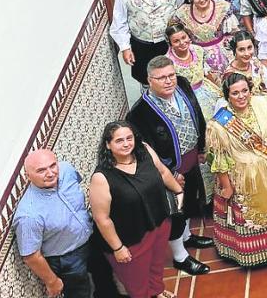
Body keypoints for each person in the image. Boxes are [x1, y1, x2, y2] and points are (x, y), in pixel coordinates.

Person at [126, 56, 214, 275]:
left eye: (171, 75)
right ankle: (180, 257)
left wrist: (201, 146)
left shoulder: (183, 84)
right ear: (149, 80)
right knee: (175, 211)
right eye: (161, 77)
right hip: (169, 170)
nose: (168, 81)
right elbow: (146, 151)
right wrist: (170, 174)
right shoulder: (139, 114)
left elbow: (197, 115)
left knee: (189, 201)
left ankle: (188, 237)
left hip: (192, 157)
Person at [207, 74, 267, 266]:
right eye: (235, 93)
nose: (241, 96)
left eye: (245, 91)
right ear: (227, 96)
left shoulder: (264, 105)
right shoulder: (219, 125)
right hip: (244, 178)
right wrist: (227, 187)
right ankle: (255, 252)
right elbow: (220, 160)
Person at [88, 121, 182, 298]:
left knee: (156, 267)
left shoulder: (145, 151)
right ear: (108, 145)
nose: (126, 144)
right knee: (137, 284)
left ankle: (158, 292)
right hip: (130, 240)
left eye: (129, 138)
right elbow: (102, 219)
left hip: (159, 225)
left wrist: (179, 191)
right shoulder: (101, 177)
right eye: (119, 140)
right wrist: (118, 248)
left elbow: (162, 172)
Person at [15, 150, 97, 298]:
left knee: (104, 279)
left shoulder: (66, 170)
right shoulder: (29, 214)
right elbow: (31, 256)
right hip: (67, 259)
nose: (50, 173)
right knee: (82, 293)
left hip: (92, 238)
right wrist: (52, 281)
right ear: (28, 176)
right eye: (41, 170)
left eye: (53, 165)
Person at [111, 0, 183, 83]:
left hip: (169, 42)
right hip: (142, 44)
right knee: (146, 78)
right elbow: (119, 20)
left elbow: (180, 5)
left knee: (174, 75)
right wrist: (125, 48)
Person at [172, 0, 240, 75]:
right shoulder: (182, 13)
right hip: (197, 58)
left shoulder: (222, 7)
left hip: (224, 55)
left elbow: (235, 33)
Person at [165, 22, 223, 119]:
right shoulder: (168, 62)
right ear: (170, 44)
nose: (182, 43)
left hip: (206, 90)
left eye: (184, 37)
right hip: (185, 97)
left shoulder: (198, 50)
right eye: (176, 41)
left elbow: (206, 73)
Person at [224, 30, 267, 96]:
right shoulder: (230, 73)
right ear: (234, 51)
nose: (247, 53)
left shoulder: (256, 64)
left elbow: (266, 90)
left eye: (249, 48)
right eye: (241, 50)